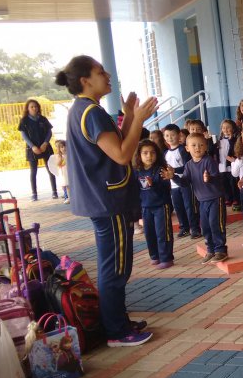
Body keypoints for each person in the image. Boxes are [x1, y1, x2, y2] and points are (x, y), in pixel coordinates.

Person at [55, 54, 157, 347]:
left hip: (102, 201)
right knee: (115, 268)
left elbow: (117, 144)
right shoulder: (91, 112)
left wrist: (129, 117)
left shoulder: (85, 109)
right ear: (85, 80)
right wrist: (138, 120)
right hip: (107, 201)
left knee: (113, 264)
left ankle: (118, 321)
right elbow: (123, 155)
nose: (107, 76)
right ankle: (116, 331)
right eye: (101, 72)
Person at [173, 133, 228, 263]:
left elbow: (218, 179)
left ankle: (220, 250)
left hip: (216, 199)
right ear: (187, 148)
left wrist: (209, 179)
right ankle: (210, 249)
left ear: (206, 147)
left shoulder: (209, 161)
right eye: (193, 145)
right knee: (205, 226)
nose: (197, 148)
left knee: (216, 224)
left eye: (201, 145)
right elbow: (184, 183)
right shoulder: (188, 165)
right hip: (202, 201)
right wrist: (173, 177)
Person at [134, 139, 175, 269]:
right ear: (139, 155)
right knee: (149, 233)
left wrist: (153, 185)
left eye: (152, 153)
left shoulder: (161, 170)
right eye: (145, 153)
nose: (149, 156)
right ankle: (155, 256)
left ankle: (166, 258)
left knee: (162, 233)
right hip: (146, 207)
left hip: (161, 206)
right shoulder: (137, 171)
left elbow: (166, 189)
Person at [163, 124, 201, 239]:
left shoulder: (182, 150)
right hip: (173, 185)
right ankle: (184, 228)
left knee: (189, 206)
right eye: (167, 135)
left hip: (185, 183)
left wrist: (174, 171)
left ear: (179, 135)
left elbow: (186, 166)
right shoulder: (166, 153)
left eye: (172, 135)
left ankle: (195, 229)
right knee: (178, 207)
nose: (170, 138)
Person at [18, 98, 58, 201]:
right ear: (27, 108)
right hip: (32, 149)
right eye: (31, 107)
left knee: (51, 168)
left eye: (35, 106)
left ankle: (54, 191)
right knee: (33, 171)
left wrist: (45, 143)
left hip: (45, 147)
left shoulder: (43, 119)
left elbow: (49, 132)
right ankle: (34, 194)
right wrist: (32, 146)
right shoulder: (24, 121)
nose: (34, 108)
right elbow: (24, 135)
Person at [218, 119, 238, 207]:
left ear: (233, 128)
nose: (225, 129)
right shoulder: (219, 141)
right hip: (222, 166)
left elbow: (235, 150)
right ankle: (228, 198)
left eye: (228, 127)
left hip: (231, 166)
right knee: (224, 184)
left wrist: (231, 140)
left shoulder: (235, 140)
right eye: (223, 128)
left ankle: (235, 199)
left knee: (233, 183)